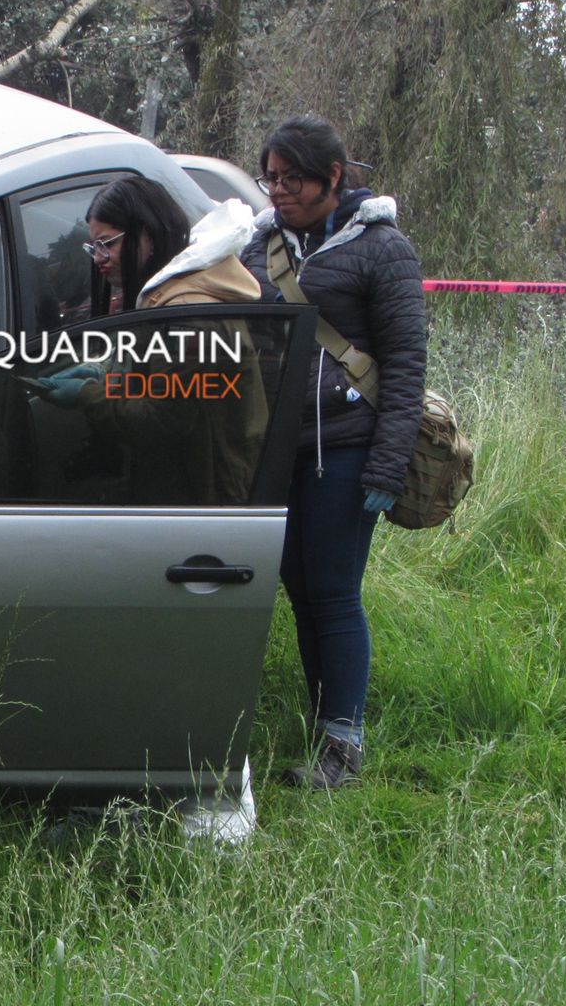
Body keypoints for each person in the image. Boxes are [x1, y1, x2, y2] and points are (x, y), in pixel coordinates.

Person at [239, 116, 425, 790]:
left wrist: (386, 465)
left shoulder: (382, 249)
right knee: (298, 587)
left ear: (333, 178)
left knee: (335, 593)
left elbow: (405, 364)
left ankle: (344, 745)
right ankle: (324, 723)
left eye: (293, 178)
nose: (279, 189)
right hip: (279, 449)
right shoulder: (262, 246)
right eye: (272, 177)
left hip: (348, 449)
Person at [36, 176, 267, 506]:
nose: (98, 257)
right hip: (184, 488)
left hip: (202, 497)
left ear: (149, 235)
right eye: (93, 246)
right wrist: (106, 379)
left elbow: (162, 419)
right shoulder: (166, 299)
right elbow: (159, 383)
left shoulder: (185, 315)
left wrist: (88, 395)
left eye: (108, 244)